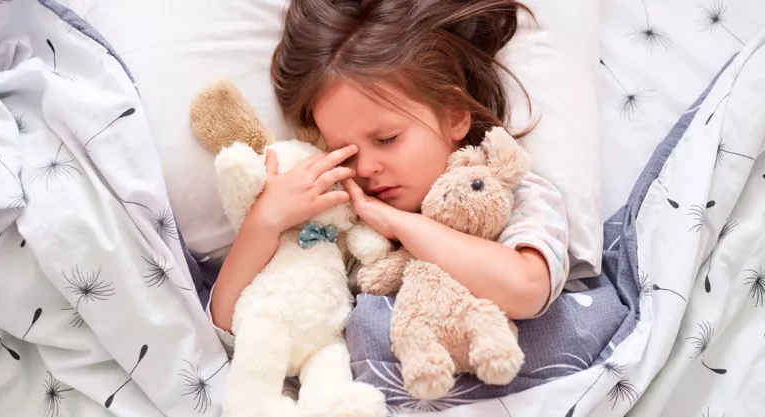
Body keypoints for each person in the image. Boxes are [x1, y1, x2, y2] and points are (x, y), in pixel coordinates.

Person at [208, 0, 569, 352]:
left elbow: (527, 289)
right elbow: (228, 323)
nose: (365, 169)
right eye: (344, 150)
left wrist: (396, 223)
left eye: (386, 139)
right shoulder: (341, 216)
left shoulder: (504, 192)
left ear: (455, 116)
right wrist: (265, 221)